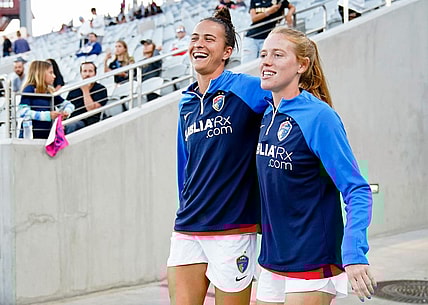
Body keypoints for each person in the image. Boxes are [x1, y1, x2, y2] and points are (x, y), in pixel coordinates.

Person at [255, 27, 377, 305]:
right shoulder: (266, 114)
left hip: (312, 258)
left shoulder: (319, 116)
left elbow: (357, 189)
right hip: (273, 259)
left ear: (302, 65)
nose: (266, 61)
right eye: (263, 54)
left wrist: (355, 252)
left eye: (277, 55)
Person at [167, 7, 270, 305]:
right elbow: (183, 165)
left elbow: (292, 101)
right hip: (188, 225)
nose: (199, 43)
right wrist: (184, 204)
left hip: (232, 227)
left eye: (209, 39)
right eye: (195, 37)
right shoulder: (186, 102)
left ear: (226, 51)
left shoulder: (248, 89)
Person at [18, 60, 74, 139]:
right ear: (40, 74)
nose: (54, 76)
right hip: (31, 137)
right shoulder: (29, 89)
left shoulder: (50, 91)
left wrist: (66, 112)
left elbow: (69, 104)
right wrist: (48, 115)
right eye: (50, 73)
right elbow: (23, 112)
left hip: (48, 136)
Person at [65, 62, 107, 134]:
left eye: (90, 71)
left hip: (87, 121)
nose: (87, 74)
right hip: (71, 119)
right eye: (84, 71)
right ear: (81, 73)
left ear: (95, 73)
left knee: (71, 126)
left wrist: (85, 90)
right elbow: (66, 107)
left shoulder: (101, 89)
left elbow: (91, 109)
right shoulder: (74, 90)